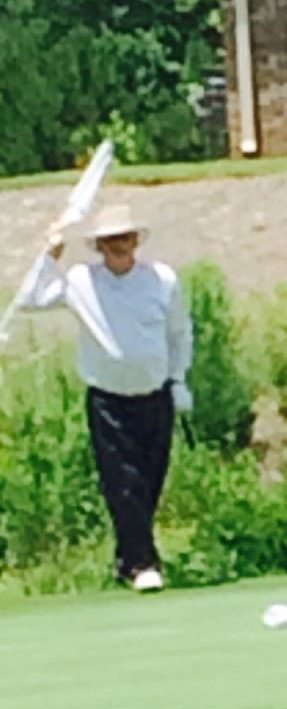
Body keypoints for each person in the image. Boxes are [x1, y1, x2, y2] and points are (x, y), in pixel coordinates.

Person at [19, 204, 193, 592]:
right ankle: (142, 565)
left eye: (125, 238)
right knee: (122, 483)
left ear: (136, 241)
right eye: (111, 240)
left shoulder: (161, 279)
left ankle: (128, 560)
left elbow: (179, 332)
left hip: (156, 395)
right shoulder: (80, 280)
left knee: (149, 483)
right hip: (109, 400)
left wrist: (179, 380)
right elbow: (31, 298)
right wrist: (50, 254)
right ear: (99, 246)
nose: (119, 246)